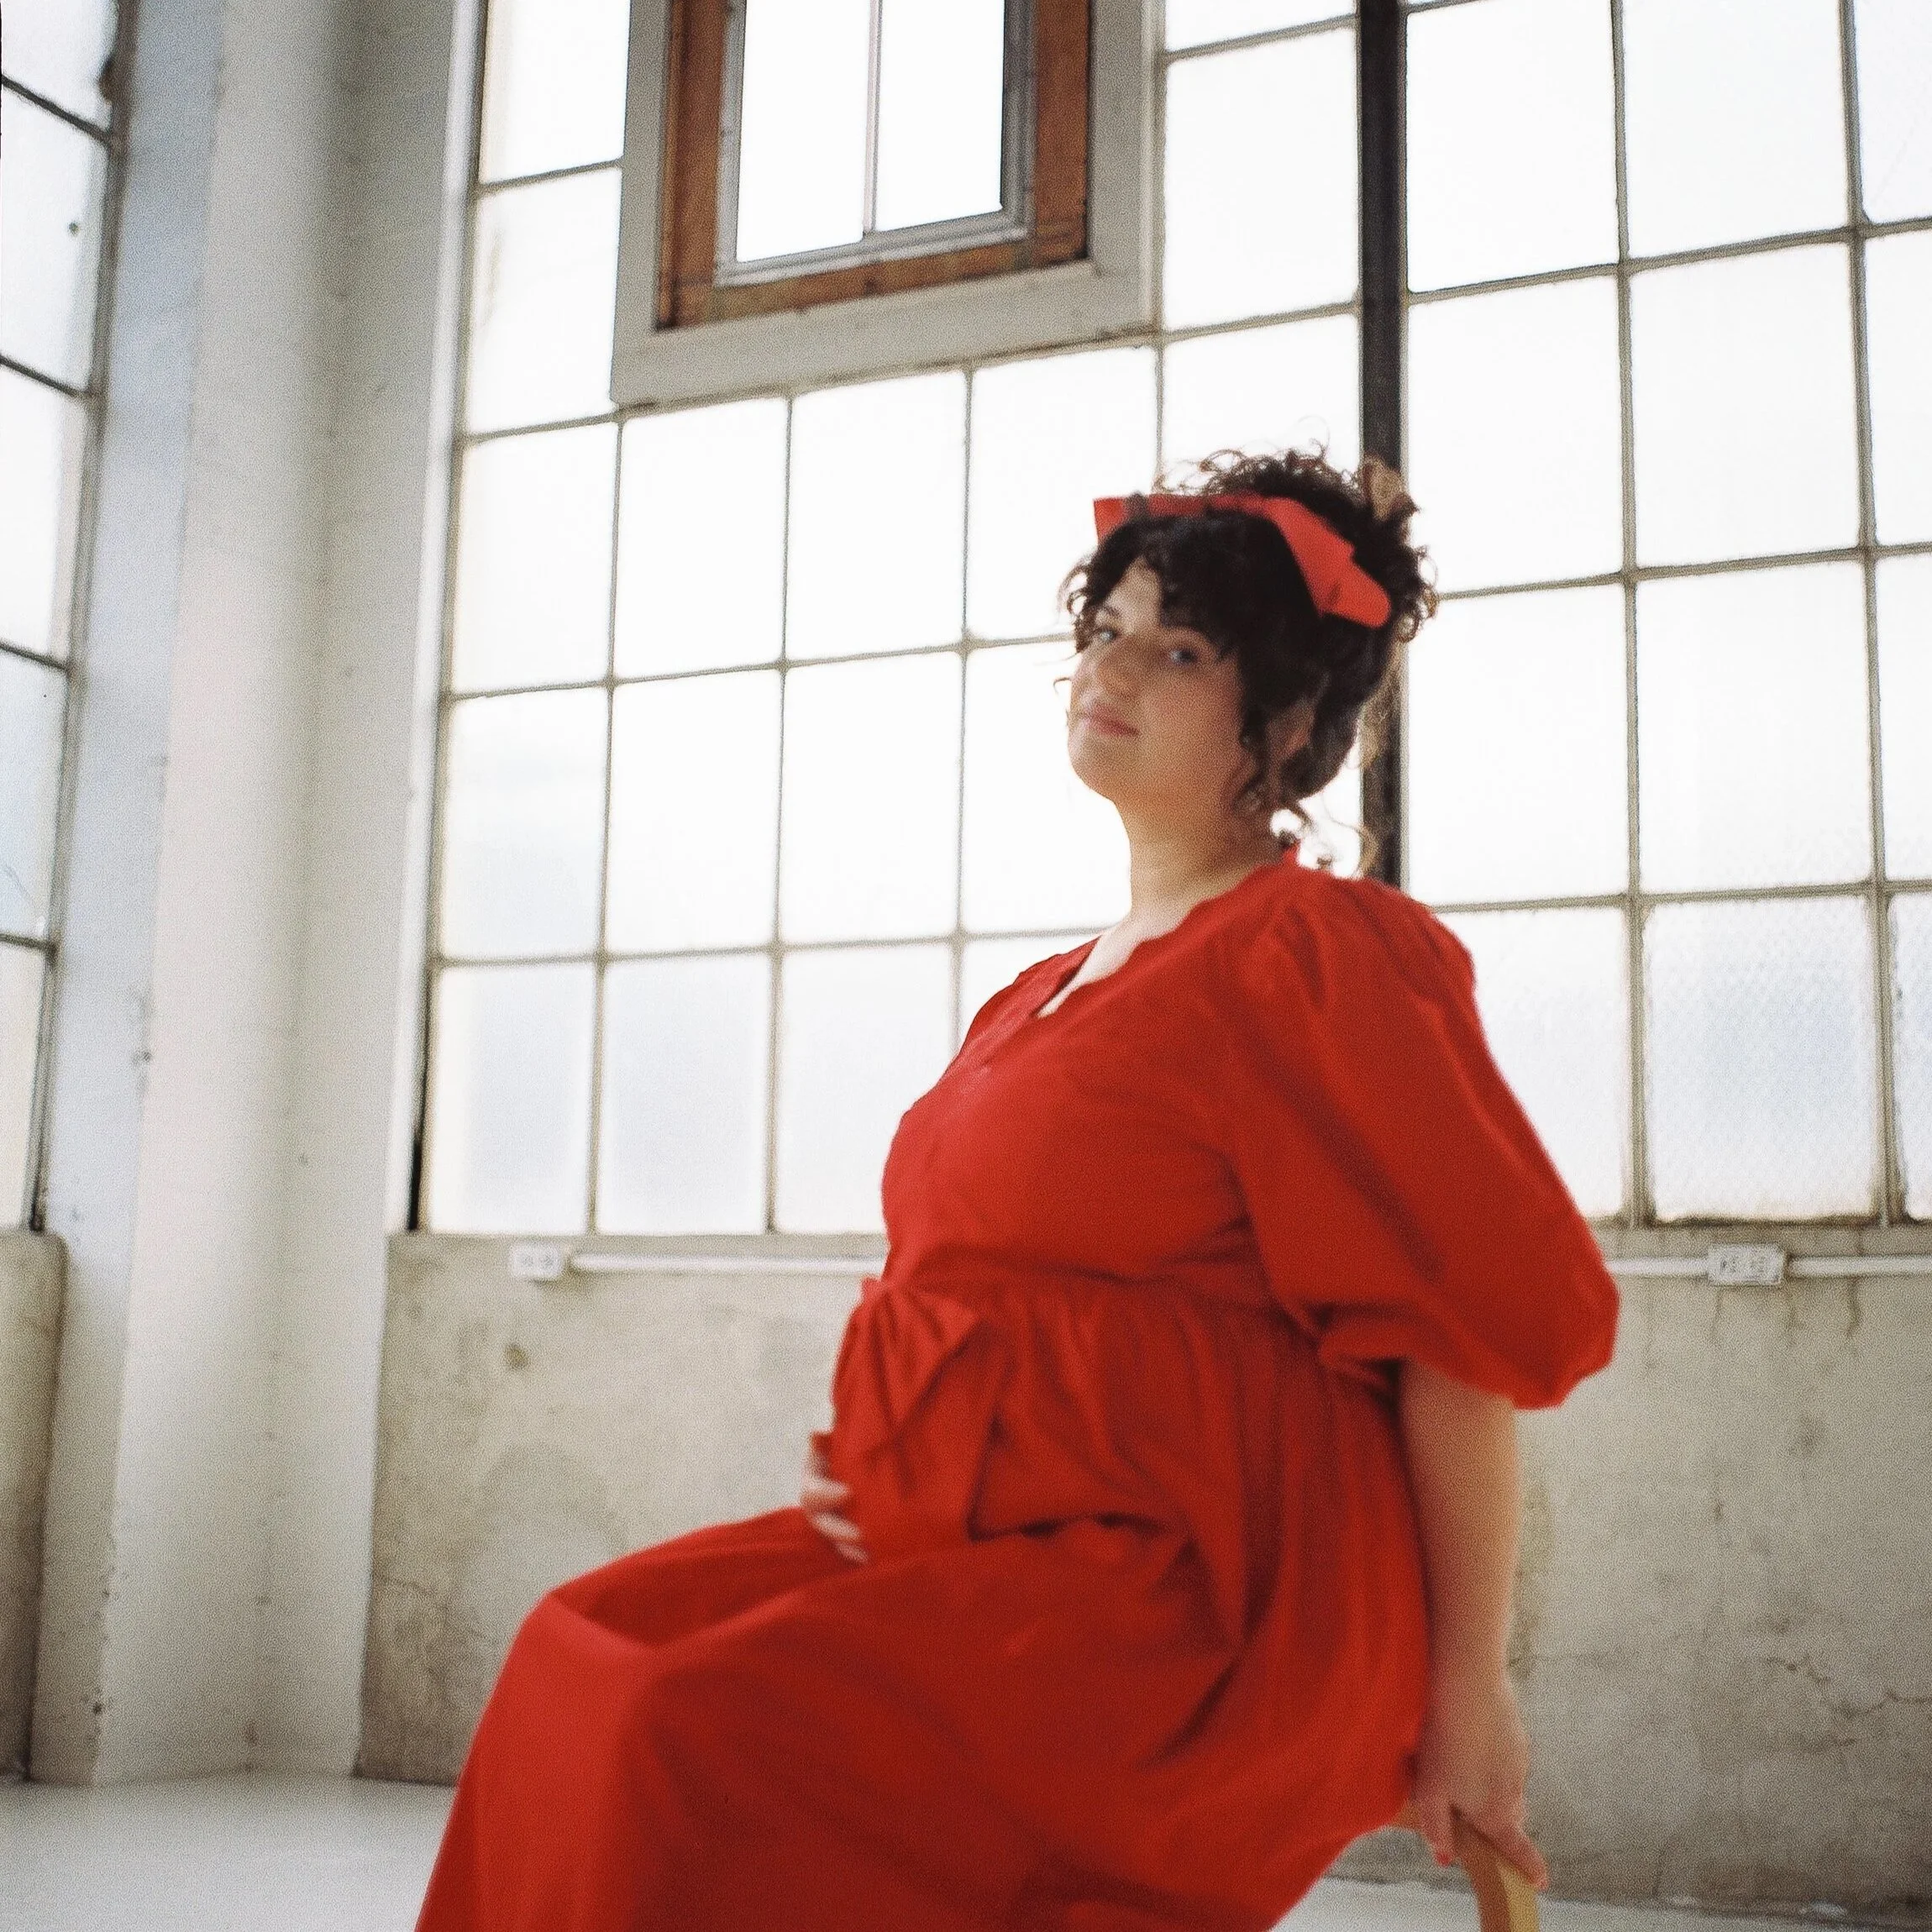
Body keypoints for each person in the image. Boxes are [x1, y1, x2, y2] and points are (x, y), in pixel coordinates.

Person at [416, 449, 1620, 1932]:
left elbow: (1457, 1341)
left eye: (1178, 651)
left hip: (1205, 1605)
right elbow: (987, 1314)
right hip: (992, 1548)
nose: (1111, 670)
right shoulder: (1043, 995)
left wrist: (1469, 1685)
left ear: (1289, 723)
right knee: (578, 1653)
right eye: (1104, 633)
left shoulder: (1317, 955)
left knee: (689, 1727)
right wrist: (891, 1458)